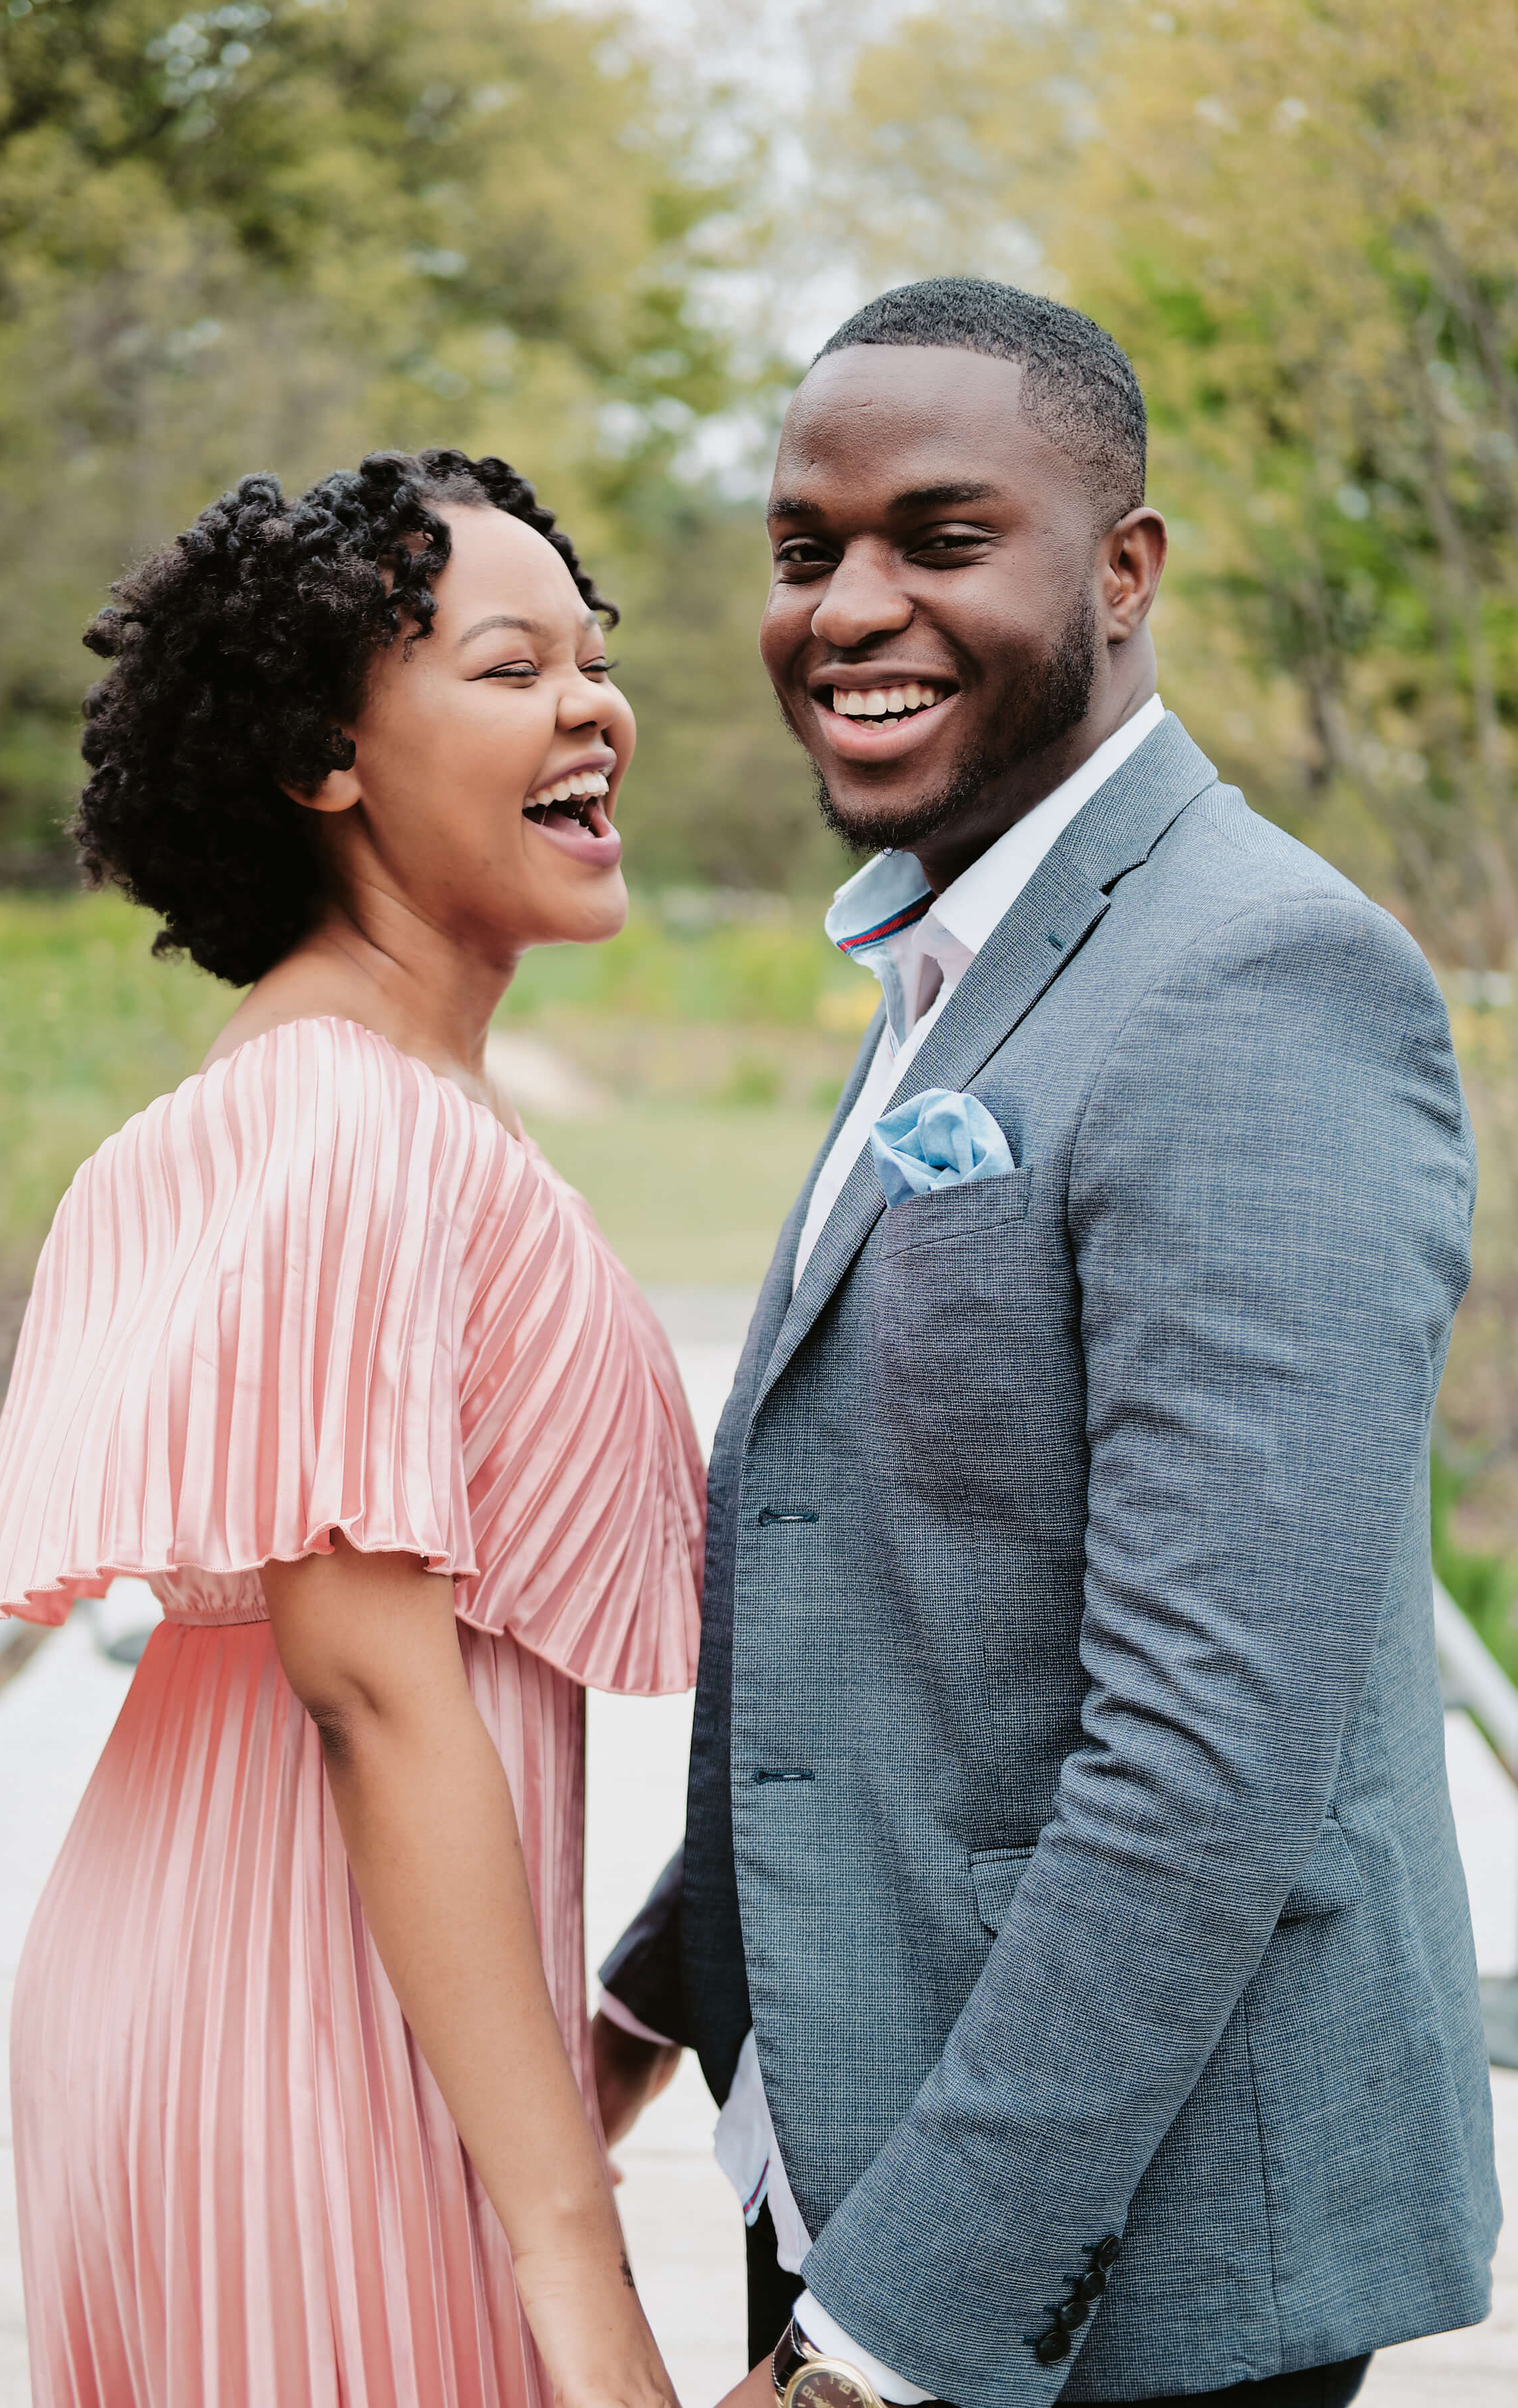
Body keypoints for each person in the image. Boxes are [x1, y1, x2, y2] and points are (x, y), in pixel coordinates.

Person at [594, 279, 1499, 2408]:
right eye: (807, 553)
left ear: (1123, 568)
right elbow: (916, 1599)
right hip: (853, 2130)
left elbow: (1208, 1755)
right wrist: (642, 1999)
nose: (850, 608)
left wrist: (885, 2345)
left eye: (941, 535)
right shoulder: (959, 942)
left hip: (1110, 2276)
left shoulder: (1258, 976)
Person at [0, 448, 705, 2408]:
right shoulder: (346, 1118)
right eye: (512, 668)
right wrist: (580, 2266)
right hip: (296, 2006)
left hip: (313, 1989)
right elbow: (368, 1684)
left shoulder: (351, 1099)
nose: (594, 705)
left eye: (595, 663)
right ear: (324, 761)